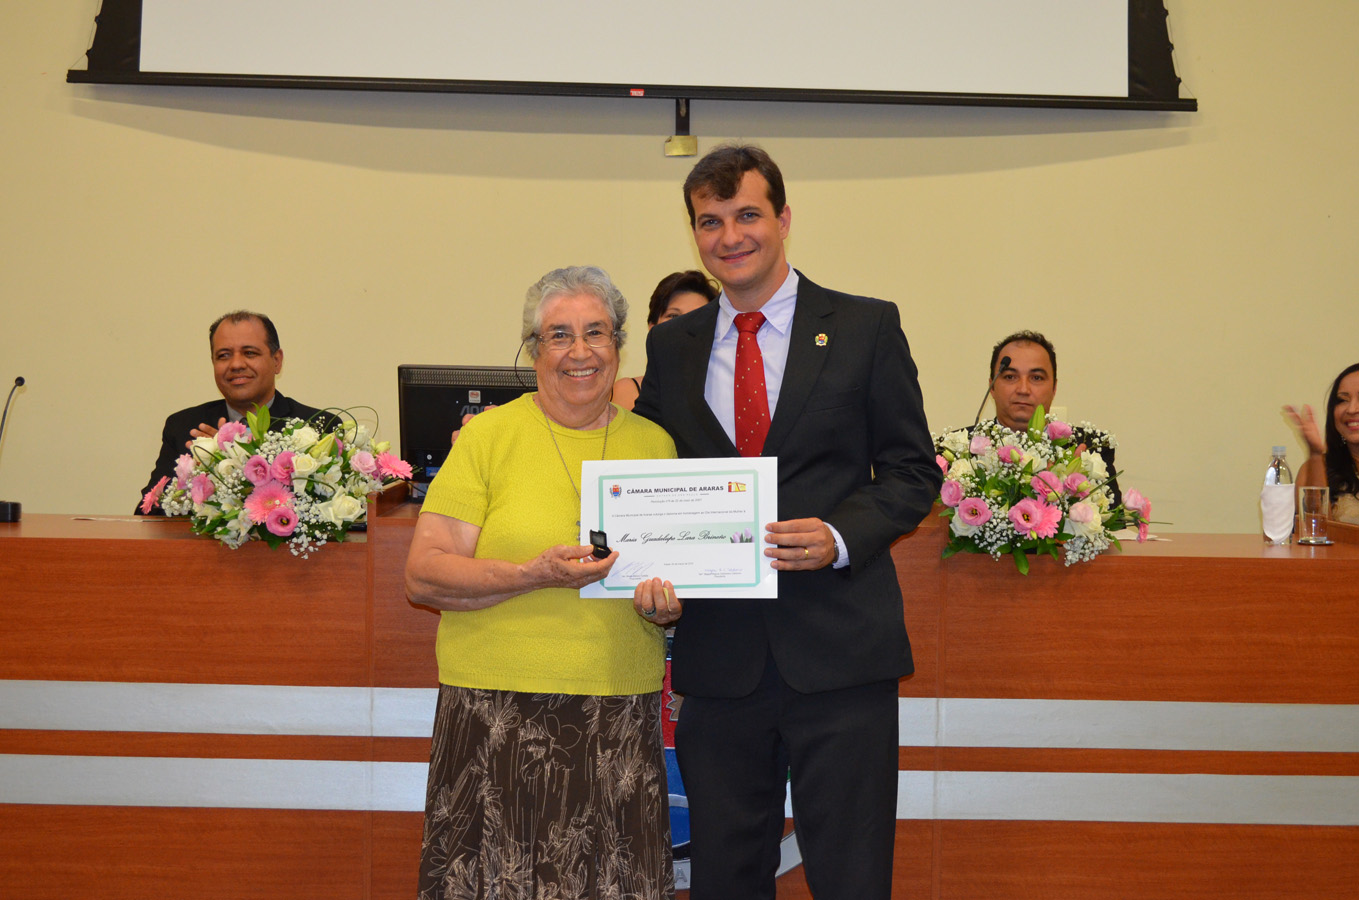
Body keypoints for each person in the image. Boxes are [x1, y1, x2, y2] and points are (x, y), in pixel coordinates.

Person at [629, 145, 941, 900]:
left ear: (783, 219)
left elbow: (911, 472)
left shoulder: (865, 328)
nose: (728, 236)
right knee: (727, 877)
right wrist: (644, 566)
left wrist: (838, 537)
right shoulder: (672, 347)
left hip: (840, 652)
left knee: (850, 874)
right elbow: (648, 478)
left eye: (746, 215)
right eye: (709, 221)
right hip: (719, 659)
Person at [404, 266, 679, 899]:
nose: (579, 352)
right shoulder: (488, 438)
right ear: (533, 352)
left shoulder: (655, 445)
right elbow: (423, 573)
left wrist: (666, 608)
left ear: (619, 345)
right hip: (491, 711)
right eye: (559, 335)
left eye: (596, 333)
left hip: (615, 712)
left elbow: (667, 580)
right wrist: (534, 575)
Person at [135, 310, 330, 515]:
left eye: (250, 353)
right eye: (224, 355)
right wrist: (206, 471)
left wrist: (234, 463)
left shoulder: (318, 427)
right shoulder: (184, 426)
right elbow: (149, 514)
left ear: (277, 360)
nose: (236, 364)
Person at [978, 329, 1122, 507]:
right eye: (1010, 377)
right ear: (991, 386)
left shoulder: (1090, 449)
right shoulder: (958, 451)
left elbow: (1116, 526)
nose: (1023, 389)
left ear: (1054, 388)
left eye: (1036, 377)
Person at [612, 270, 719, 411]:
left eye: (696, 316)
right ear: (652, 329)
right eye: (674, 316)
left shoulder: (725, 389)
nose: (684, 326)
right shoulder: (627, 391)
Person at [1285, 362, 1359, 524]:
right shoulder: (1314, 468)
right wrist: (1316, 454)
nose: (1352, 409)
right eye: (1342, 400)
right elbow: (1316, 532)